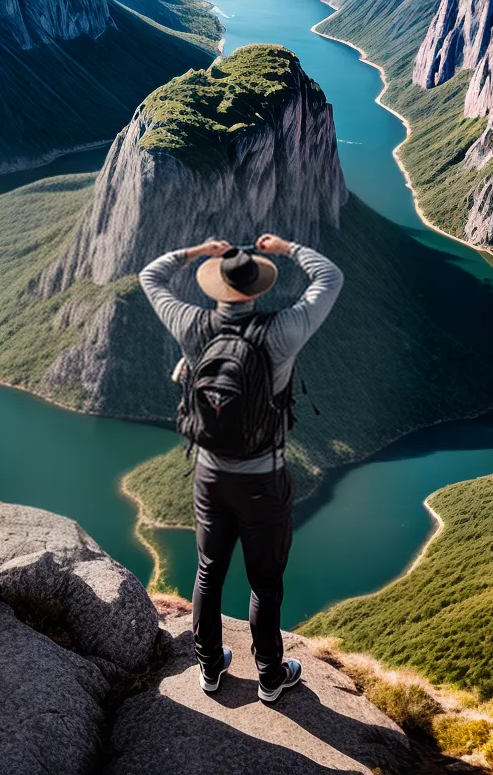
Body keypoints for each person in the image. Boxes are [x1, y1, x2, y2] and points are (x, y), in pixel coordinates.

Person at [139, 234, 343, 703]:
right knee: (265, 582)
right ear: (258, 291)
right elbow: (330, 276)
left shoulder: (192, 324)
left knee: (209, 570)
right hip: (263, 479)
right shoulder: (281, 331)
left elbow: (151, 275)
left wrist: (198, 253)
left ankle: (210, 668)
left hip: (209, 475)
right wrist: (286, 248)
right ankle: (270, 675)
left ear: (216, 290)